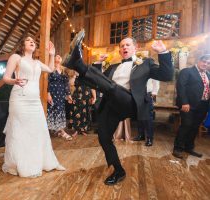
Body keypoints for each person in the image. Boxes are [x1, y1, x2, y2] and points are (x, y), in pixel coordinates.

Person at [62, 29, 173, 185]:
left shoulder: (145, 64)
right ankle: (119, 171)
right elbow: (98, 81)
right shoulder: (113, 67)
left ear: (135, 48)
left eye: (127, 45)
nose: (124, 48)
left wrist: (163, 52)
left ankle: (77, 62)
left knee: (113, 88)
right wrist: (98, 64)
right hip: (111, 103)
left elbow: (167, 75)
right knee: (103, 137)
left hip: (130, 102)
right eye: (121, 46)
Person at [2, 36, 65, 178]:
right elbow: (5, 77)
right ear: (22, 44)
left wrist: (52, 54)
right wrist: (14, 80)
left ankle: (45, 162)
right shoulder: (16, 58)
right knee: (21, 131)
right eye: (28, 40)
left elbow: (49, 69)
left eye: (33, 41)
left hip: (35, 102)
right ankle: (21, 163)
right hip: (19, 99)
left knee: (39, 130)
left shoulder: (37, 62)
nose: (32, 42)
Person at [172, 54, 210, 159]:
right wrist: (184, 102)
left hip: (203, 105)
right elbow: (181, 87)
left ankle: (189, 147)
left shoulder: (208, 74)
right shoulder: (187, 71)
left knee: (195, 127)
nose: (205, 64)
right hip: (188, 104)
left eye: (207, 63)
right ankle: (178, 148)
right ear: (198, 61)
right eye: (204, 61)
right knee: (186, 125)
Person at [47, 55, 73, 140]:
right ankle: (61, 132)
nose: (58, 56)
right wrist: (48, 93)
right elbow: (46, 81)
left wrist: (68, 95)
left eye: (59, 56)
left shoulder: (63, 70)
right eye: (56, 56)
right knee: (52, 111)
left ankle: (59, 130)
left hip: (61, 94)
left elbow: (66, 84)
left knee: (60, 111)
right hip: (52, 93)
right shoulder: (50, 68)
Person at [67, 72, 96, 136]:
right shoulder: (74, 74)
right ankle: (76, 130)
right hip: (76, 97)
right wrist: (73, 76)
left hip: (86, 97)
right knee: (75, 113)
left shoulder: (88, 75)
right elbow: (70, 84)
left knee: (85, 114)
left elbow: (92, 87)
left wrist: (94, 97)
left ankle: (83, 130)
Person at [133, 79, 160, 146]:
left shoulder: (151, 68)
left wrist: (154, 93)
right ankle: (141, 135)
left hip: (147, 94)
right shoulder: (137, 69)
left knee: (148, 118)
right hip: (138, 94)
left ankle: (150, 138)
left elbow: (156, 82)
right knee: (139, 116)